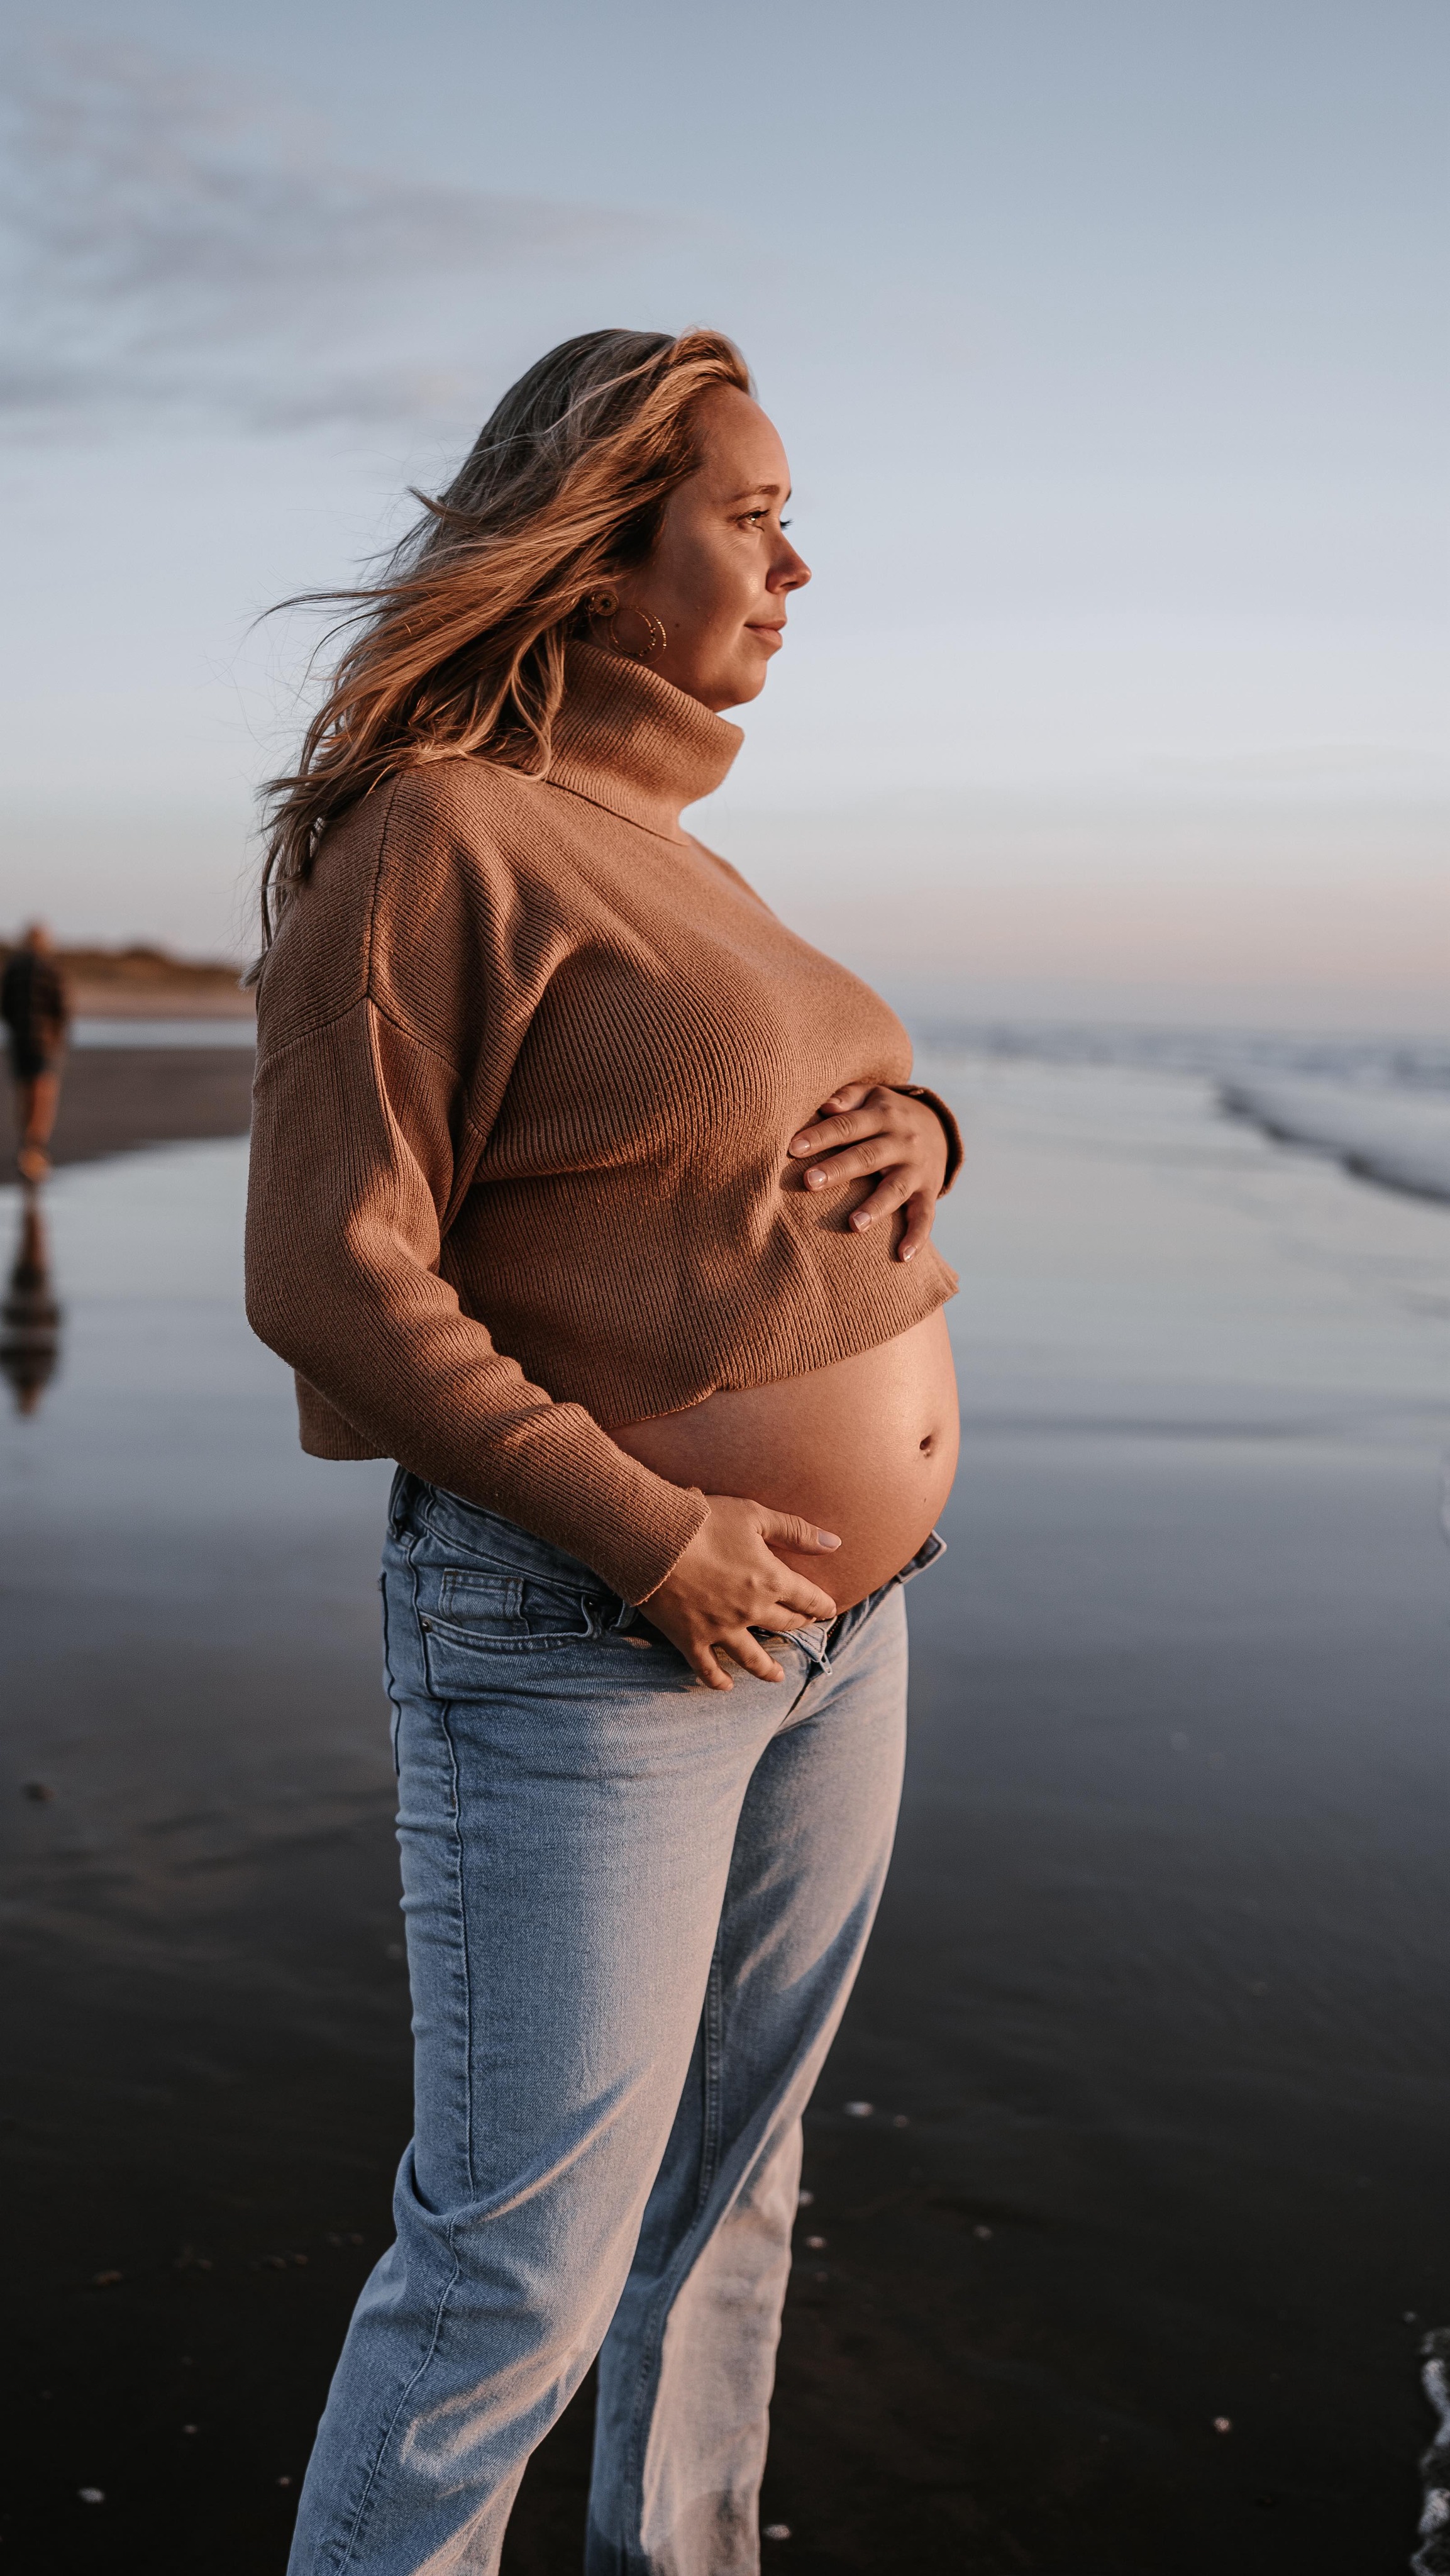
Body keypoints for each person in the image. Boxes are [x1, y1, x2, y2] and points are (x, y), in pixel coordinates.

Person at [245, 328, 963, 2576]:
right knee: (509, 2278)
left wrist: (924, 1132)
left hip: (838, 1629)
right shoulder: (435, 834)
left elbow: (743, 1128)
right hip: (593, 1623)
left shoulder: (681, 862)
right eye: (752, 519)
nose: (796, 567)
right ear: (598, 539)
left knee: (735, 2194)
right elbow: (330, 1272)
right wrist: (650, 1536)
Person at [1, 922, 69, 1182]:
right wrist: (57, 1035)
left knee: (25, 1092)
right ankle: (35, 1148)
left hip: (20, 1039)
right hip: (43, 1041)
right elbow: (61, 1007)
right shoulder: (50, 968)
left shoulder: (13, 968)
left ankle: (28, 1146)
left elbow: (4, 1006)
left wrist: (16, 1026)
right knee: (42, 1093)